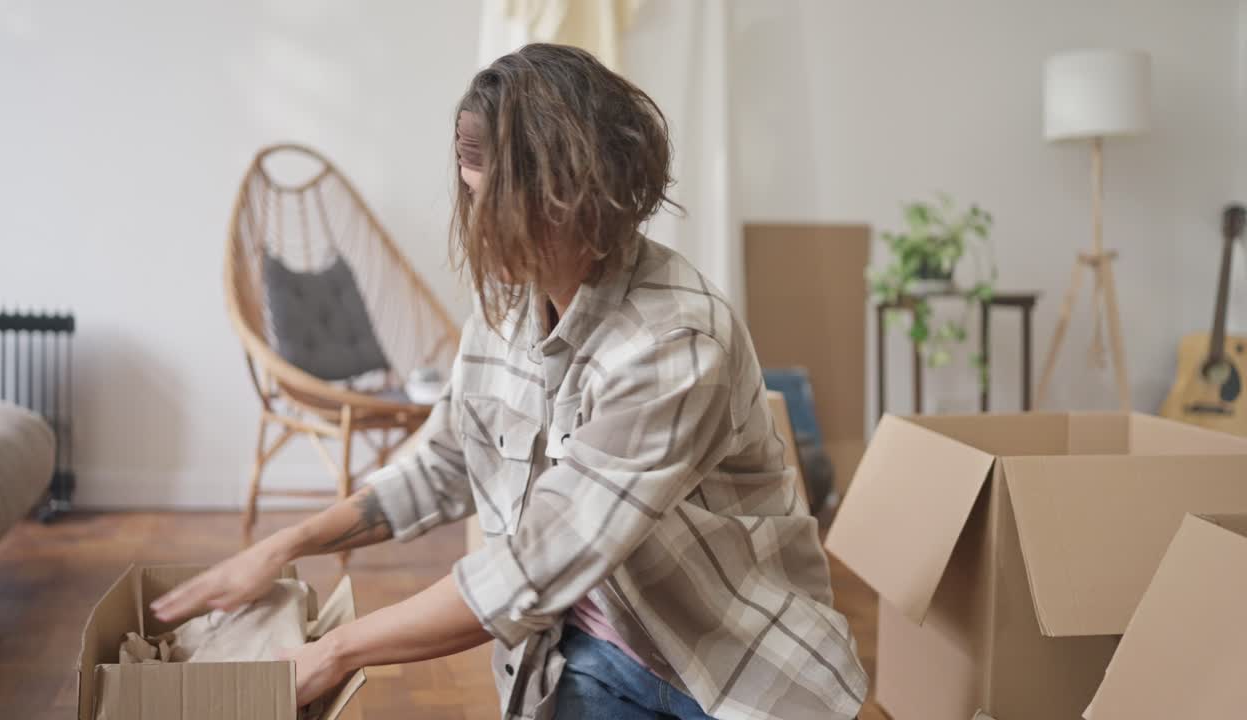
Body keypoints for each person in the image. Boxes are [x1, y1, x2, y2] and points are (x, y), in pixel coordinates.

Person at [152, 43, 867, 720]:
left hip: (732, 668)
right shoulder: (505, 313)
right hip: (593, 652)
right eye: (474, 197)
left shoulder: (673, 341)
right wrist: (284, 545)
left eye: (506, 203)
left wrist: (334, 651)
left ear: (592, 196)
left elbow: (532, 569)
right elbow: (443, 463)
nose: (482, 228)